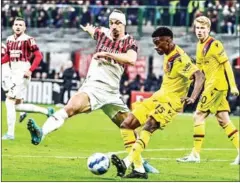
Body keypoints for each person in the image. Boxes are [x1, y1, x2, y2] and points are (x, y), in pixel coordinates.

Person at [27, 9, 158, 174]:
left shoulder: (129, 41)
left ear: (124, 24)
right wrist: (88, 28)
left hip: (112, 94)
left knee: (129, 127)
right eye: (111, 23)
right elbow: (93, 31)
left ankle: (140, 163)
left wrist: (105, 53)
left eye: (117, 23)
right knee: (71, 108)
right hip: (93, 87)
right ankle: (41, 132)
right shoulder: (102, 34)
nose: (114, 26)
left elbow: (131, 59)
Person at [111, 27, 205, 179]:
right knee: (126, 125)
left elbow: (199, 76)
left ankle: (127, 162)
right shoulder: (168, 53)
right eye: (154, 43)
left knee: (149, 126)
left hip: (171, 102)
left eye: (158, 43)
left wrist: (193, 97)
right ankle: (139, 170)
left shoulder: (180, 58)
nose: (155, 47)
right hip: (159, 96)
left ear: (168, 41)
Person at [176, 16, 239, 165]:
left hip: (216, 86)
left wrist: (233, 85)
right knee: (224, 120)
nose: (199, 31)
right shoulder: (199, 46)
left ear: (208, 29)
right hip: (211, 86)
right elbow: (200, 72)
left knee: (198, 115)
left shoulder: (215, 45)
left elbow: (226, 65)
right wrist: (191, 83)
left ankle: (195, 154)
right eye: (197, 28)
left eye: (203, 28)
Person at [1, 17, 54, 140]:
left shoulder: (28, 40)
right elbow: (8, 56)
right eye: (16, 24)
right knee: (17, 106)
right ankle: (47, 112)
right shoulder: (9, 40)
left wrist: (30, 70)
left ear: (24, 27)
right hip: (14, 72)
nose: (18, 26)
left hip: (23, 71)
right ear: (13, 26)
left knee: (9, 101)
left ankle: (10, 134)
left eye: (20, 25)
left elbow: (38, 56)